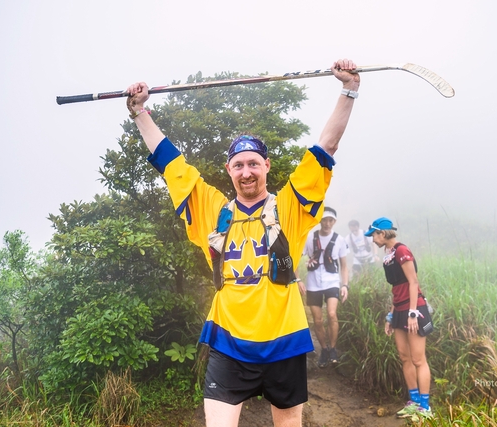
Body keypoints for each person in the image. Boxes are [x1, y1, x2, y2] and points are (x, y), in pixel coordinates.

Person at [125, 58, 361, 427]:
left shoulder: (290, 207)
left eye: (253, 163)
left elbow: (326, 147)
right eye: (238, 165)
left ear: (266, 166)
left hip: (284, 337)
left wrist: (349, 90)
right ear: (229, 170)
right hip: (228, 340)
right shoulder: (211, 210)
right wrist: (140, 112)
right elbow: (171, 164)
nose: (246, 172)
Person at [364, 217, 434, 420]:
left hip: (414, 309)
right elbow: (397, 288)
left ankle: (425, 407)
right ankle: (413, 402)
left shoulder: (402, 251)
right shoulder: (389, 254)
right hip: (399, 309)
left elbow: (413, 282)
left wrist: (412, 313)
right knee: (404, 357)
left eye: (374, 235)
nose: (372, 239)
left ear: (382, 233)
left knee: (418, 359)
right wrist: (390, 316)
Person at [297, 207, 349, 368]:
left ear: (334, 222)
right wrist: (298, 279)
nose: (327, 223)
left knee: (332, 314)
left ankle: (333, 349)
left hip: (332, 281)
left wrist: (345, 285)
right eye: (324, 220)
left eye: (330, 220)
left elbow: (344, 265)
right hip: (313, 283)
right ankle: (324, 350)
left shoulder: (339, 240)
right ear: (320, 220)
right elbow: (295, 257)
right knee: (318, 320)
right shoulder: (310, 238)